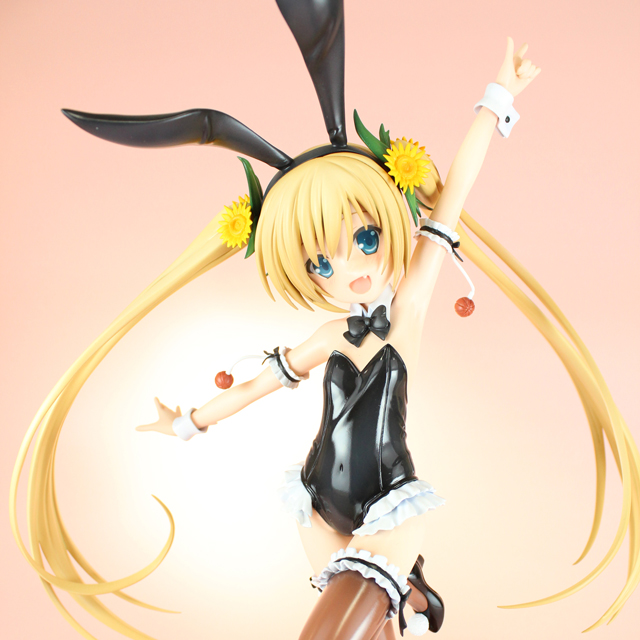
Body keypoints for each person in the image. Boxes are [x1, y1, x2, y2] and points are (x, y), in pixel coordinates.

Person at [10, 1, 638, 639]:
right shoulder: (326, 337)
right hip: (316, 503)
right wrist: (188, 422)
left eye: (365, 239)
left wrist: (496, 99)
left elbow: (452, 199)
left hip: (390, 503)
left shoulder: (408, 311)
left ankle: (408, 591)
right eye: (321, 261)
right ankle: (412, 596)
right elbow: (255, 387)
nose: (350, 268)